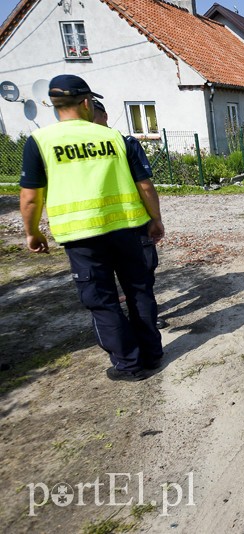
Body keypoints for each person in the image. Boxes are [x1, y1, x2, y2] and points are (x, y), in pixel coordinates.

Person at [20, 74, 164, 381]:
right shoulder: (114, 139)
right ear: (86, 103)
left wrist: (33, 232)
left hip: (81, 237)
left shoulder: (41, 142)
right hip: (127, 227)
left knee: (102, 301)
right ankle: (152, 354)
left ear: (54, 105)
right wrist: (156, 219)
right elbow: (145, 186)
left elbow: (30, 198)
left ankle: (128, 364)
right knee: (139, 291)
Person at [92, 98, 167, 329]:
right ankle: (137, 322)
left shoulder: (124, 144)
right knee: (135, 276)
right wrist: (156, 219)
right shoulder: (121, 144)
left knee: (137, 274)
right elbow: (144, 185)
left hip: (112, 223)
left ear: (104, 116)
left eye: (94, 116)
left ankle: (136, 319)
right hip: (119, 224)